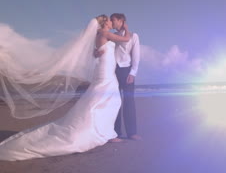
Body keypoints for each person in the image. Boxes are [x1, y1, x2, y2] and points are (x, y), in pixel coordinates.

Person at [0, 15, 131, 161]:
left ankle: (107, 132)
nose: (110, 22)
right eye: (108, 20)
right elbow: (126, 39)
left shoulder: (99, 35)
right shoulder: (105, 33)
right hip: (106, 71)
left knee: (105, 99)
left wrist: (96, 52)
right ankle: (103, 133)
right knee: (109, 99)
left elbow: (96, 52)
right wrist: (125, 28)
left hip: (104, 68)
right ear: (104, 23)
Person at [108, 13, 141, 141]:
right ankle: (116, 133)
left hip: (127, 70)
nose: (112, 22)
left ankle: (132, 133)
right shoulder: (112, 36)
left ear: (121, 20)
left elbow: (136, 55)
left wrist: (133, 72)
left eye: (113, 20)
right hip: (113, 71)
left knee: (129, 102)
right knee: (115, 102)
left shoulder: (133, 36)